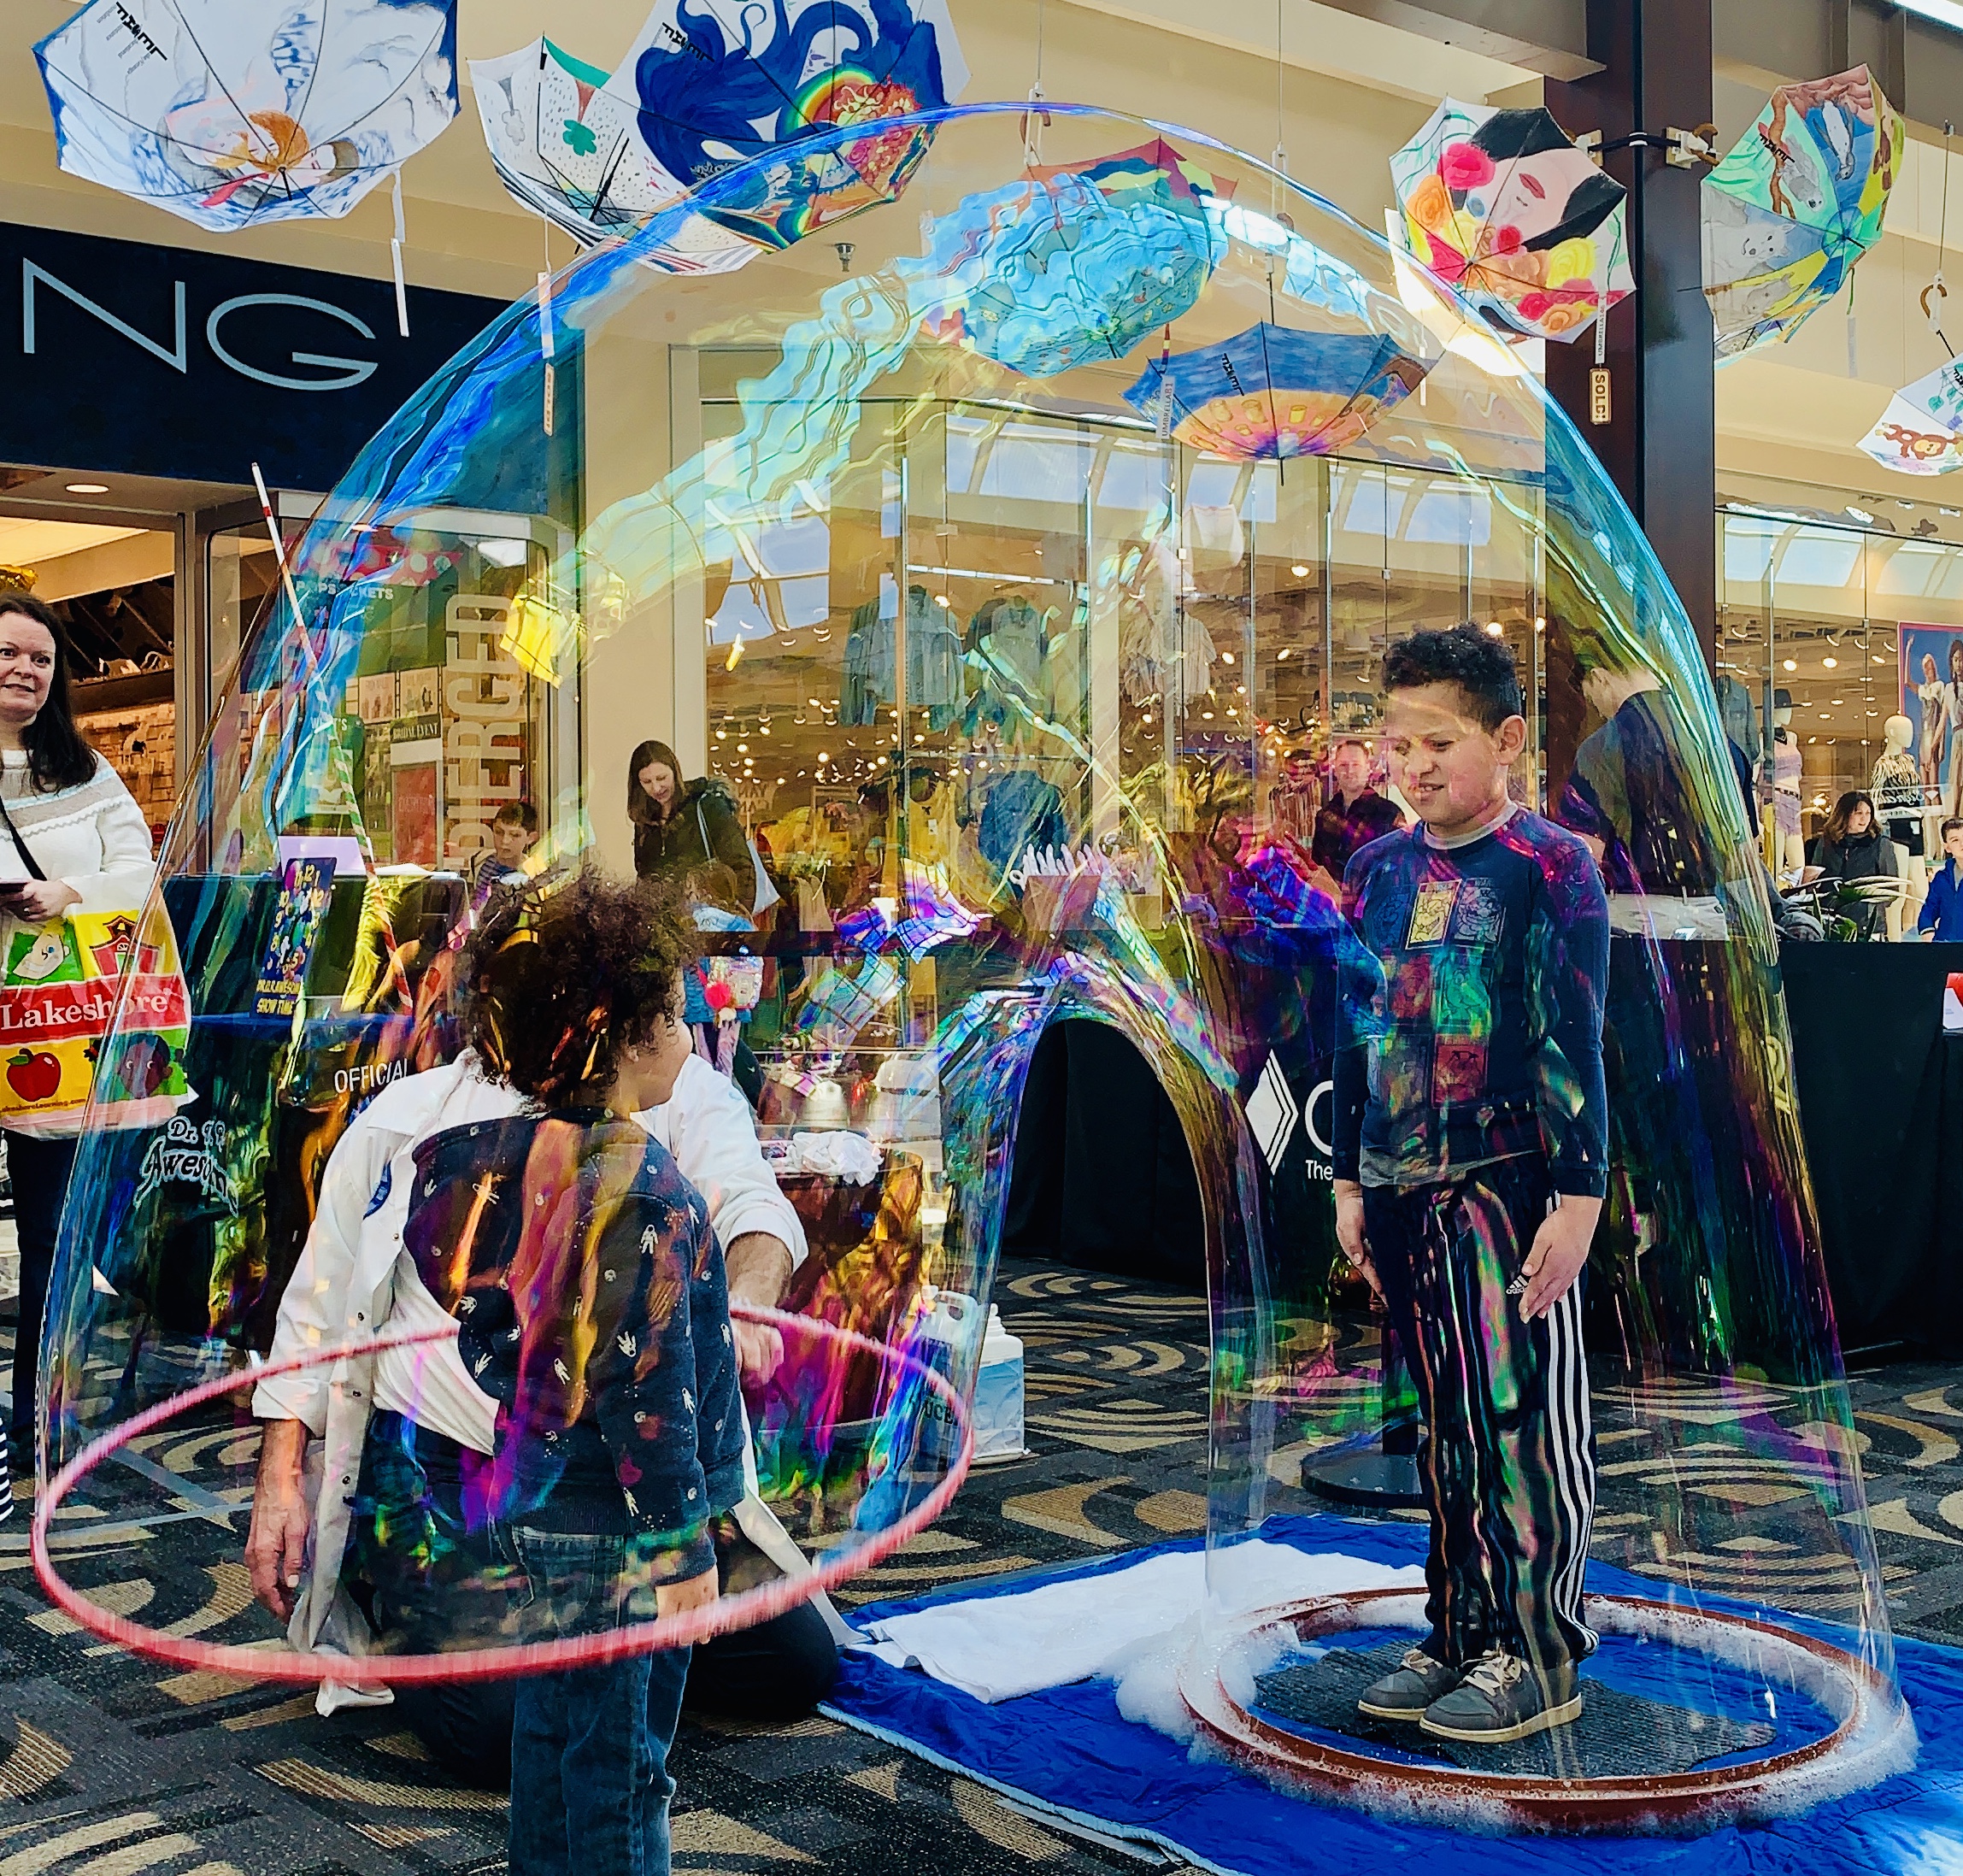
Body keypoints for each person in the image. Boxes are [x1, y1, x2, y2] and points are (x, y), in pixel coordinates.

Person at [247, 919, 831, 1786]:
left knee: (790, 1665)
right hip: (451, 1467)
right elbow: (318, 1305)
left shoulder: (674, 1086)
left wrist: (739, 1305)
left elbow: (753, 1208)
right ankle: (404, 1584)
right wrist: (280, 1476)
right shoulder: (409, 1118)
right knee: (504, 1730)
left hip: (623, 1468)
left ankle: (597, 1633)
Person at [408, 871, 739, 1873]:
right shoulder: (640, 1191)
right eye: (676, 1014)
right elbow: (647, 1391)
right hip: (621, 1531)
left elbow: (493, 1327)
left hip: (541, 1499)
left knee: (552, 1730)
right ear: (627, 1038)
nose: (691, 1032)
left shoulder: (509, 1164)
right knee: (622, 1764)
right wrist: (679, 1540)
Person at [1332, 625, 1608, 1745]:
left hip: (1509, 1183)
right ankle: (1457, 1626)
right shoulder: (1376, 868)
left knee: (1522, 1419)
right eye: (1398, 744)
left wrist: (1579, 1198)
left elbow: (1573, 1037)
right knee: (1443, 1420)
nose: (1414, 765)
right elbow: (1357, 1030)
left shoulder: (1551, 865)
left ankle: (1539, 1648)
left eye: (1438, 742)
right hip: (1401, 1181)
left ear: (1505, 739)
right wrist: (1348, 1176)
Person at [0, 592, 155, 1479]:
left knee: (53, 1243)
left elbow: (139, 869)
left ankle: (37, 1427)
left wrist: (71, 892)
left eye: (41, 658)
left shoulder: (83, 770)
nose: (24, 669)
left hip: (53, 1033)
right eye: (8, 652)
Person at [631, 739, 750, 886]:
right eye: (646, 782)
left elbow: (742, 870)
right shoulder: (645, 820)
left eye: (662, 778)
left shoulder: (708, 806)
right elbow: (644, 877)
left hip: (709, 901)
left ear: (675, 772)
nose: (656, 788)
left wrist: (729, 903)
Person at [1309, 736, 1403, 886]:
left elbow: (1401, 870)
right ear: (1335, 769)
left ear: (1367, 768)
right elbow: (1317, 866)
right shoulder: (1325, 815)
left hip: (1372, 898)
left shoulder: (1389, 814)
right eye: (1343, 765)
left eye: (1356, 764)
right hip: (1328, 899)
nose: (1350, 771)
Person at [1809, 791, 1901, 940]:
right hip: (1830, 923)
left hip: (1867, 927)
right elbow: (1814, 880)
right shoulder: (1826, 843)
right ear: (1845, 815)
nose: (1864, 818)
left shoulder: (1881, 844)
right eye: (1859, 813)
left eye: (1868, 813)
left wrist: (1867, 906)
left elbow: (1892, 889)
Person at [464, 799, 539, 899]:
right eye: (499, 832)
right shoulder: (479, 861)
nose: (505, 841)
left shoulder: (533, 875)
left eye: (515, 835)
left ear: (531, 838)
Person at [1919, 818, 1963, 940]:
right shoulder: (1941, 877)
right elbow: (1930, 907)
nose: (1962, 844)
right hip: (1945, 943)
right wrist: (1927, 930)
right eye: (1955, 840)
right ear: (1947, 847)